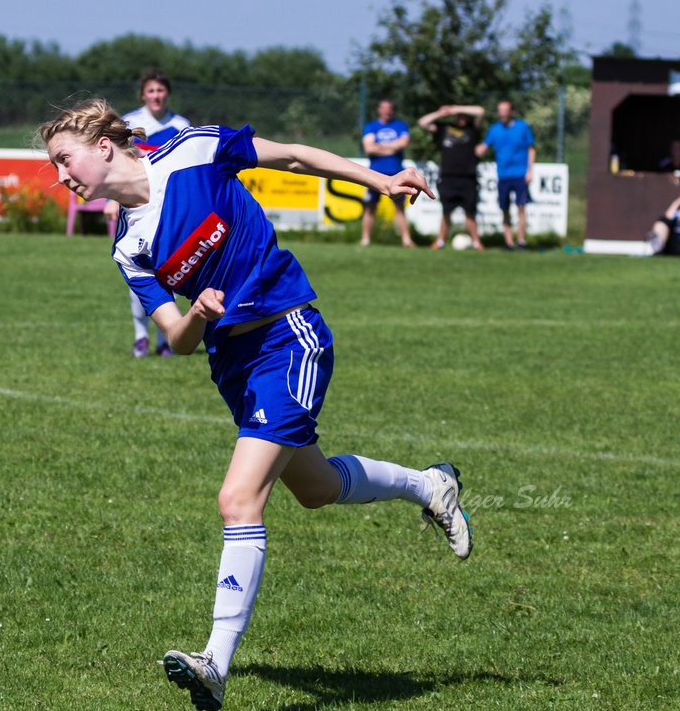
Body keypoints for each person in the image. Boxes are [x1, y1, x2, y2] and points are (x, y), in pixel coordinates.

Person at [39, 100, 471, 711]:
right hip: (233, 365)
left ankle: (215, 662)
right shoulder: (128, 245)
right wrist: (196, 312)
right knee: (317, 487)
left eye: (65, 159)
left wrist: (379, 179)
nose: (61, 176)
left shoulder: (193, 151)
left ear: (102, 148)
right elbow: (178, 340)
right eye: (54, 166)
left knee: (238, 497)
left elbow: (294, 155)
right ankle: (430, 486)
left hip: (287, 334)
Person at [109, 69, 192, 358]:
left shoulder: (181, 125)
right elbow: (116, 165)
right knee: (140, 269)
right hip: (136, 210)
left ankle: (164, 338)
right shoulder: (129, 124)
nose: (156, 96)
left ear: (167, 93)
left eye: (160, 90)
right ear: (143, 94)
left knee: (167, 271)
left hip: (169, 210)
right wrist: (112, 199)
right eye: (150, 91)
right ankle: (141, 337)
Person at [418, 104, 487, 250]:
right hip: (448, 177)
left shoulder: (472, 129)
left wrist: (457, 108)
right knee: (446, 212)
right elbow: (422, 123)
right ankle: (440, 241)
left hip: (468, 178)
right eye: (458, 116)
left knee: (470, 213)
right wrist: (440, 113)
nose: (461, 118)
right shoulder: (445, 127)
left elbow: (480, 111)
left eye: (463, 115)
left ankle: (477, 242)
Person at [481, 99, 536, 250]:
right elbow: (484, 147)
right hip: (503, 175)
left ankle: (521, 241)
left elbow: (531, 149)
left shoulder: (522, 127)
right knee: (504, 208)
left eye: (505, 110)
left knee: (521, 207)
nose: (502, 113)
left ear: (511, 112)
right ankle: (509, 242)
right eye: (500, 110)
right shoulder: (494, 129)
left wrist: (530, 170)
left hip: (520, 174)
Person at [359, 98, 414, 248]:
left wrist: (379, 146)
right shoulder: (371, 126)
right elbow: (369, 148)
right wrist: (391, 147)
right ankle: (365, 239)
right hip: (374, 174)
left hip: (396, 173)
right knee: (370, 207)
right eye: (384, 108)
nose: (387, 111)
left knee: (400, 208)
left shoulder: (400, 125)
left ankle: (406, 240)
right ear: (379, 109)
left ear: (392, 110)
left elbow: (402, 144)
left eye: (389, 108)